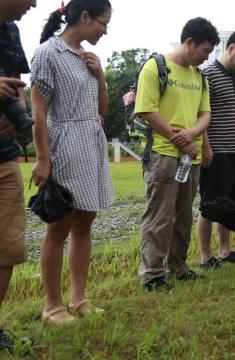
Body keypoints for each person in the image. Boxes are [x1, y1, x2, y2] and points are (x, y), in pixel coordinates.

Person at [31, 0, 114, 324]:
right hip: (64, 146)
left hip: (91, 144)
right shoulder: (48, 53)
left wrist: (101, 75)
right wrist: (42, 158)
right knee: (59, 226)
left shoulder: (88, 57)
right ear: (84, 17)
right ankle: (53, 305)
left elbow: (101, 110)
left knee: (85, 223)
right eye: (102, 23)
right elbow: (38, 111)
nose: (105, 31)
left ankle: (79, 299)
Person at [135, 17, 219, 291]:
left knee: (183, 216)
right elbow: (147, 110)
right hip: (163, 155)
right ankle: (152, 274)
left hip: (190, 157)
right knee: (159, 216)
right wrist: (178, 138)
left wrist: (192, 135)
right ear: (189, 42)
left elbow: (205, 114)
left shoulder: (199, 77)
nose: (206, 58)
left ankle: (179, 267)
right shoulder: (156, 67)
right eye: (205, 51)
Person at [197, 30, 235, 270]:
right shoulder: (208, 74)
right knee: (209, 206)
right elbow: (200, 114)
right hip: (216, 152)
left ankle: (225, 251)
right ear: (230, 47)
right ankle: (205, 257)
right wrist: (206, 147)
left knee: (230, 207)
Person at [0, 0, 35, 350]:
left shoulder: (11, 30)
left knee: (8, 248)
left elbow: (18, 83)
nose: (35, 4)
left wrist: (18, 112)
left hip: (5, 156)